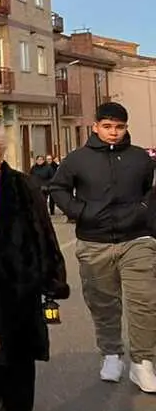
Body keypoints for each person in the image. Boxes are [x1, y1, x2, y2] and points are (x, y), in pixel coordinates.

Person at [0, 122, 69, 411]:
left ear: (2, 155)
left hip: (19, 284)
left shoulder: (23, 186)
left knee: (20, 354)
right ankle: (0, 398)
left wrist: (51, 280)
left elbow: (43, 233)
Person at [47, 101, 156, 392]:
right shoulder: (76, 159)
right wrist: (79, 211)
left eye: (119, 127)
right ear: (96, 127)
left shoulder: (141, 159)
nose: (113, 132)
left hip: (137, 240)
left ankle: (143, 364)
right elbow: (57, 188)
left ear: (126, 128)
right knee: (103, 303)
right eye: (107, 126)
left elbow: (150, 189)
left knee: (145, 301)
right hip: (94, 242)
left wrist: (144, 210)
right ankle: (111, 354)